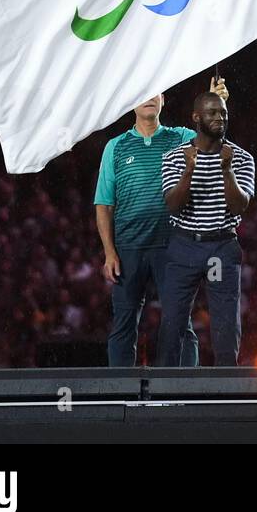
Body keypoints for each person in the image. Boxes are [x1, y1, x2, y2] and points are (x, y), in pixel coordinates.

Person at [95, 77, 228, 366]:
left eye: (155, 91)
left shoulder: (179, 138)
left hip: (173, 248)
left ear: (163, 100)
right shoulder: (115, 148)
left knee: (180, 321)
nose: (149, 97)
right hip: (128, 249)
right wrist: (109, 252)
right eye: (142, 91)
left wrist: (216, 105)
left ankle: (184, 393)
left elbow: (210, 142)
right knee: (124, 324)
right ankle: (122, 395)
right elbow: (104, 205)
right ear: (131, 103)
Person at [156, 91, 255, 366]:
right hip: (184, 243)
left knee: (226, 325)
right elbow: (173, 206)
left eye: (223, 113)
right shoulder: (175, 158)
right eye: (212, 113)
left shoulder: (241, 158)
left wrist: (227, 170)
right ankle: (164, 392)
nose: (219, 118)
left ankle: (226, 393)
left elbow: (239, 207)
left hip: (222, 245)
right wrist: (189, 171)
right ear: (196, 117)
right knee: (173, 321)